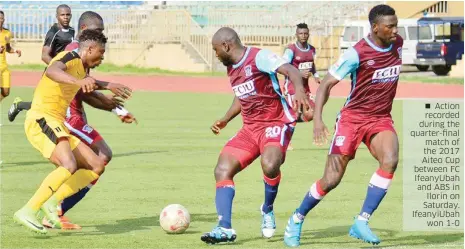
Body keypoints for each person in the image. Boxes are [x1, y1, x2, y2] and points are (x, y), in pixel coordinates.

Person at [283, 4, 402, 247]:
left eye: (395, 24)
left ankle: (361, 221)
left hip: (380, 118)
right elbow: (326, 84)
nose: (395, 30)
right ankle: (297, 218)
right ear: (375, 27)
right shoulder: (356, 54)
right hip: (352, 120)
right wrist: (317, 118)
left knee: (390, 160)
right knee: (331, 179)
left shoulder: (397, 43)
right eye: (390, 26)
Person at [13, 29, 132, 234]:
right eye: (101, 53)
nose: (102, 58)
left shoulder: (82, 68)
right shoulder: (69, 56)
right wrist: (80, 82)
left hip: (56, 121)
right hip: (41, 118)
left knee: (97, 164)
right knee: (68, 164)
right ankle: (28, 210)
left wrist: (108, 85)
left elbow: (85, 82)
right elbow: (52, 70)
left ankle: (52, 202)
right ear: (90, 49)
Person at [201, 27, 310, 244]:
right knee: (222, 169)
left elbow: (292, 71)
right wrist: (225, 119)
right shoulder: (231, 68)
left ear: (226, 45)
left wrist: (299, 90)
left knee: (270, 164)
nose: (215, 55)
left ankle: (267, 209)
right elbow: (242, 96)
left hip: (276, 122)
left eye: (215, 50)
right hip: (250, 128)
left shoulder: (259, 57)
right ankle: (225, 228)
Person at [39, 11, 137, 231]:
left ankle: (55, 209)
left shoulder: (83, 55)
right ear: (84, 30)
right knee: (100, 157)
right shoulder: (73, 53)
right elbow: (81, 89)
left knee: (87, 163)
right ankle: (55, 209)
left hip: (75, 113)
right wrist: (112, 99)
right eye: (98, 31)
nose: (101, 35)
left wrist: (117, 109)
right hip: (67, 115)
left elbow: (86, 89)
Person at [8, 4, 74, 119]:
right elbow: (44, 56)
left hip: (66, 73)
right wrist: (57, 69)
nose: (65, 17)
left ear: (71, 16)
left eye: (68, 15)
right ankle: (19, 105)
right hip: (54, 73)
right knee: (43, 105)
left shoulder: (72, 31)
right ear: (57, 16)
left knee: (60, 103)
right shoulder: (53, 32)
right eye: (62, 15)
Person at [282, 22, 319, 150]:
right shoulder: (291, 50)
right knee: (294, 114)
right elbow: (283, 66)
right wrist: (298, 72)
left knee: (311, 113)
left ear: (308, 34)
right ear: (296, 35)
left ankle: (283, 120)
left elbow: (312, 64)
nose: (303, 35)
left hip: (305, 88)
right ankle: (286, 141)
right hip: (292, 88)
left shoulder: (312, 49)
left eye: (305, 33)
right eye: (301, 33)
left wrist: (316, 75)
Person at [0, 10, 22, 102]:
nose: (0, 20)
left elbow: (8, 48)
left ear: (4, 19)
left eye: (1, 18)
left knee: (6, 92)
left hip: (4, 66)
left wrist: (15, 51)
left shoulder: (7, 33)